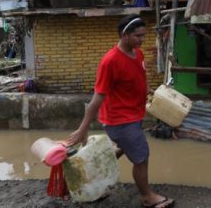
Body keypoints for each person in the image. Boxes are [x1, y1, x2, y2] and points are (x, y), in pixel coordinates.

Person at [67, 14, 174, 208]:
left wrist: (148, 91)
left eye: (143, 35)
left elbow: (140, 76)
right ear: (124, 35)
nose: (142, 40)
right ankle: (147, 197)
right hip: (119, 120)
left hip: (133, 114)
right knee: (141, 157)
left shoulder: (137, 53)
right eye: (137, 36)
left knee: (126, 147)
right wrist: (83, 129)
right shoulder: (110, 62)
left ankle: (90, 172)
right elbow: (96, 99)